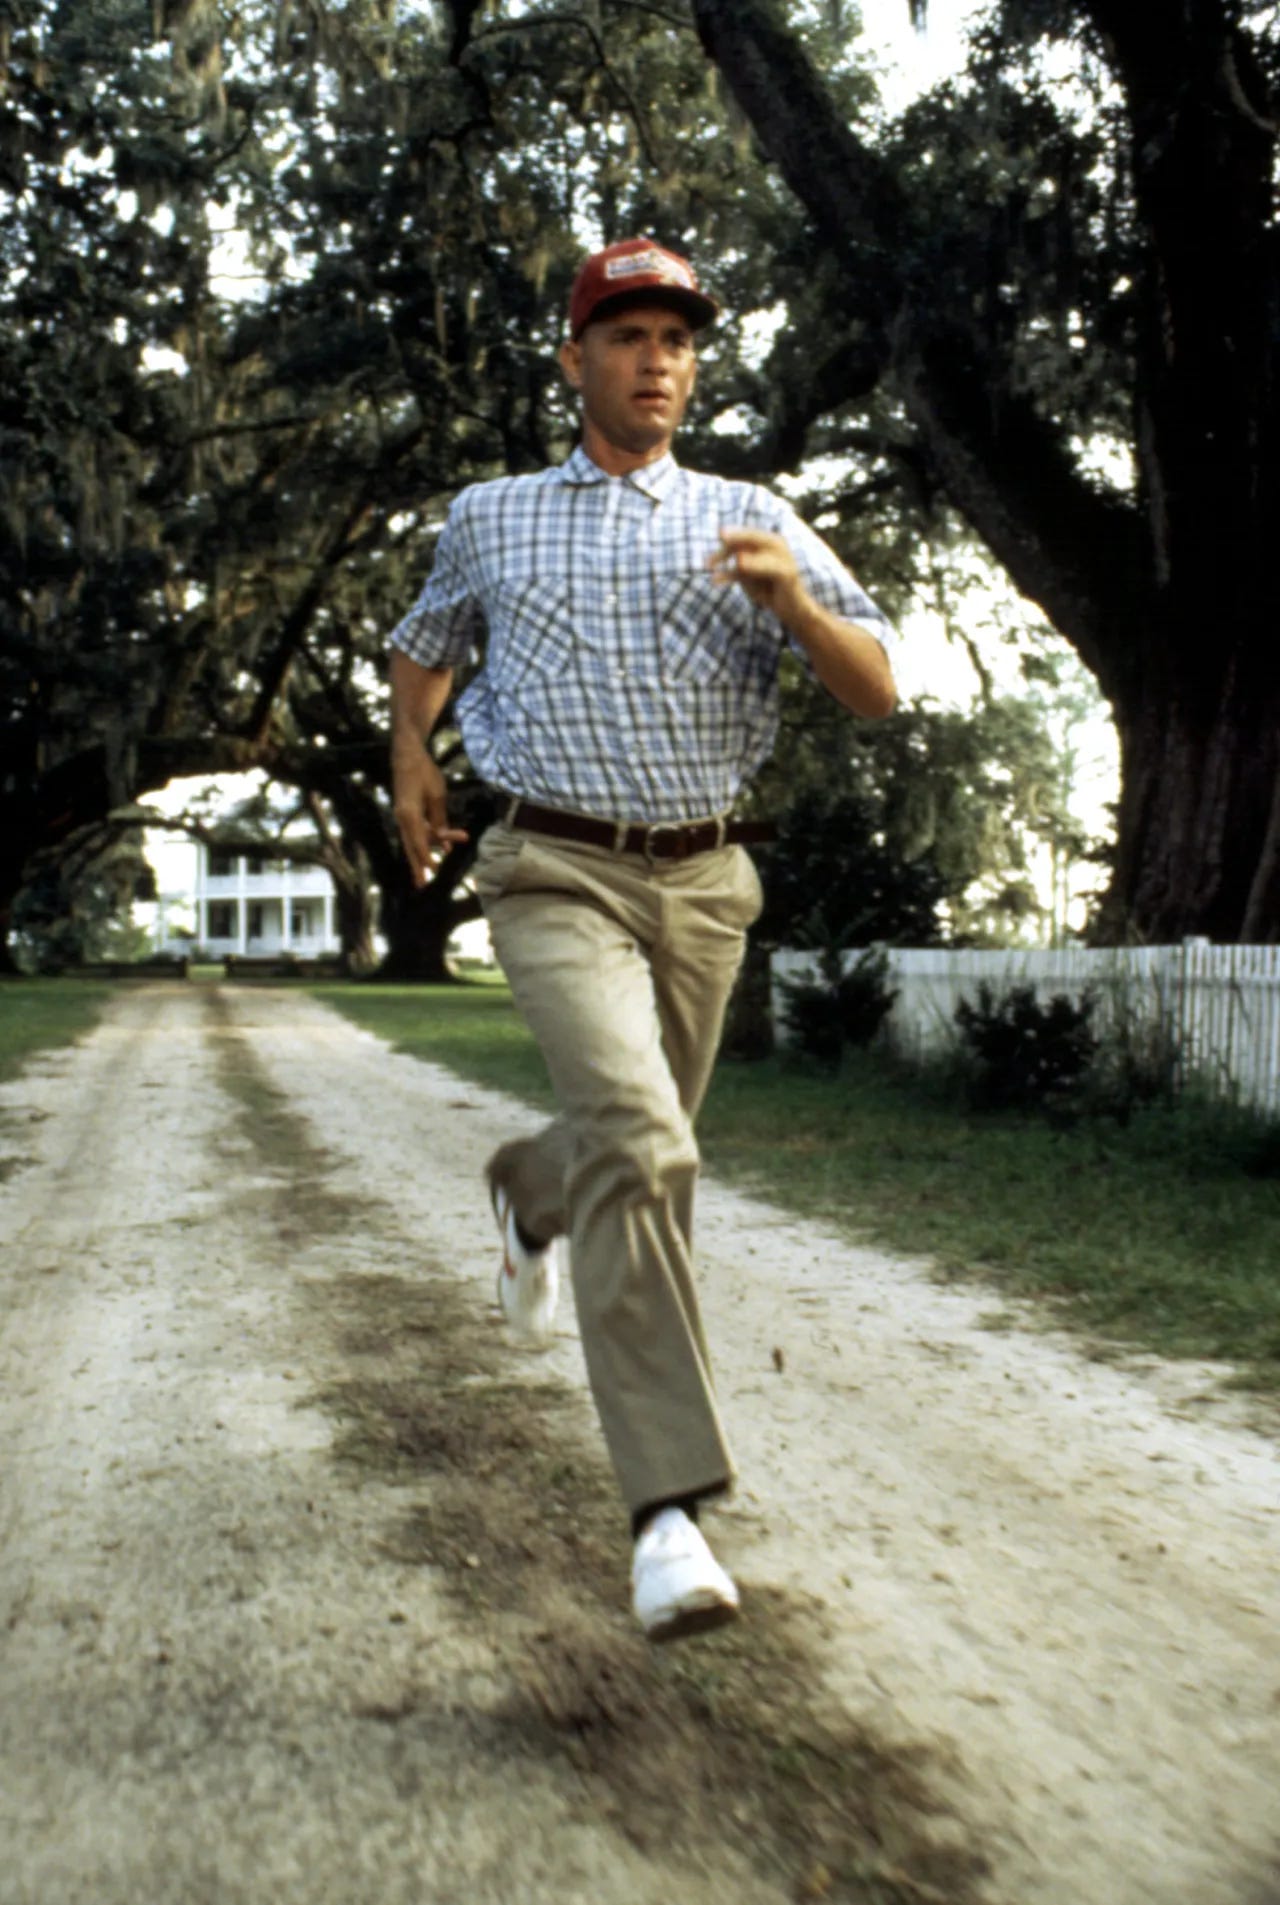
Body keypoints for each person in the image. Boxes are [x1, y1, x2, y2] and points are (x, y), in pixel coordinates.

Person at [388, 236, 899, 1642]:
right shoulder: (492, 516)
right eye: (627, 336)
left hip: (704, 886)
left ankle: (529, 1190)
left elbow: (876, 686)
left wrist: (791, 601)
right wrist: (410, 752)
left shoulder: (754, 517)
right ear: (576, 360)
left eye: (676, 338)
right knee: (647, 1138)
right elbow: (426, 641)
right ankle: (668, 1513)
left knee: (634, 1138)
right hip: (550, 864)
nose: (656, 359)